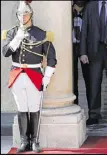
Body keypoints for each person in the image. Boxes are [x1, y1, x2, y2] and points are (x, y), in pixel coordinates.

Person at [1, 1, 57, 153]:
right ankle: (24, 141)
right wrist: (17, 39)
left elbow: (51, 58)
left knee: (33, 108)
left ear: (31, 14)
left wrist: (47, 77)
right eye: (20, 14)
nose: (22, 17)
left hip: (34, 75)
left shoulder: (40, 34)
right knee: (22, 108)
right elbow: (5, 52)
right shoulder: (12, 33)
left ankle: (34, 141)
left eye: (25, 14)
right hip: (17, 75)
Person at [72, 0, 90, 105]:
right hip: (71, 46)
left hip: (86, 47)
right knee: (72, 79)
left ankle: (93, 111)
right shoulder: (67, 10)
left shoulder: (90, 8)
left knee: (89, 79)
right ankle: (74, 105)